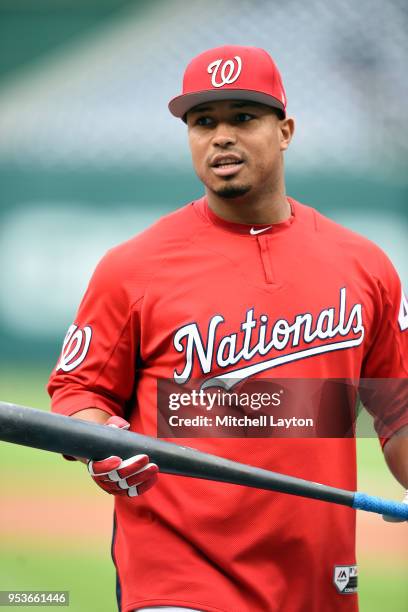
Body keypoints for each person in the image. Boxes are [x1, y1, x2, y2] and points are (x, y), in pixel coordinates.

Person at [48, 45, 408, 612]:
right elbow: (79, 392)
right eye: (203, 121)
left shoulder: (364, 266)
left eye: (243, 117)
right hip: (177, 576)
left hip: (318, 575)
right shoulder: (132, 267)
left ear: (285, 130)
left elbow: (398, 414)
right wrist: (99, 442)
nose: (220, 136)